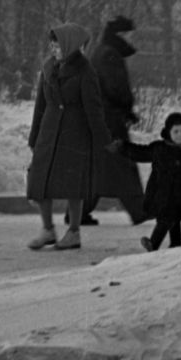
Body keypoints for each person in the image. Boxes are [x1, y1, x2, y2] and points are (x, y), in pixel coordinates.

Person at [26, 23, 113, 250]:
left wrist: (103, 142)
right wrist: (34, 137)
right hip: (48, 132)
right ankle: (47, 230)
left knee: (75, 186)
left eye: (56, 43)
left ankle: (73, 232)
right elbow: (40, 105)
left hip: (75, 135)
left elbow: (94, 109)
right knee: (39, 180)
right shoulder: (48, 68)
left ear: (69, 44)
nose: (53, 47)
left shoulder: (85, 71)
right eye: (51, 43)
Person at [68, 15, 147, 226]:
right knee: (122, 164)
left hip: (97, 118)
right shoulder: (110, 55)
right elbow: (116, 88)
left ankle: (77, 213)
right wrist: (126, 108)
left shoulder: (101, 51)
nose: (133, 40)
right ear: (120, 35)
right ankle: (140, 211)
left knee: (97, 167)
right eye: (130, 35)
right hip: (109, 120)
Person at [112, 111, 181, 251]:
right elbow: (141, 152)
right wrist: (123, 147)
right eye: (176, 131)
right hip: (159, 194)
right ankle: (176, 244)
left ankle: (153, 243)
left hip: (179, 196)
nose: (179, 135)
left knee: (168, 218)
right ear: (169, 132)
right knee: (171, 219)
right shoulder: (159, 149)